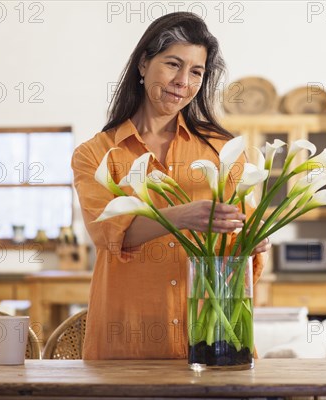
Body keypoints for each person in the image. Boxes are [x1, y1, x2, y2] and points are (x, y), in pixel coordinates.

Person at [72, 12, 270, 360]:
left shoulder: (223, 149)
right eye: (173, 64)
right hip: (129, 341)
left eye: (196, 72)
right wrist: (182, 216)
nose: (183, 81)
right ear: (144, 64)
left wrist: (254, 237)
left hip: (216, 341)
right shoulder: (96, 154)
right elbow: (109, 234)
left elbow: (242, 238)